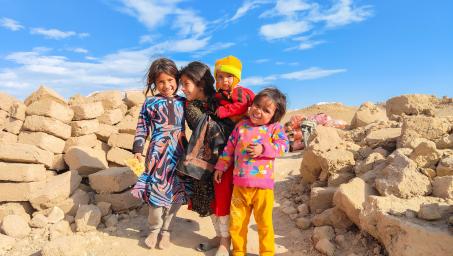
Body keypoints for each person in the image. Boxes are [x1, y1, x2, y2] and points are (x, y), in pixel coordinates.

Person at [214, 87, 289, 256]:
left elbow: (284, 146)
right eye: (257, 105)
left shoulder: (274, 128)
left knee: (264, 224)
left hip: (263, 189)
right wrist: (221, 166)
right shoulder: (241, 126)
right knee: (237, 223)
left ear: (274, 116)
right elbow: (229, 148)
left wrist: (263, 148)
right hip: (239, 187)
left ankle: (267, 252)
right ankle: (239, 251)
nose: (258, 111)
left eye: (266, 110)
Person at [179, 61, 235, 256]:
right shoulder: (190, 106)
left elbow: (235, 117)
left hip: (224, 160)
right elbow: (205, 124)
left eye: (186, 84)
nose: (182, 89)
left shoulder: (220, 99)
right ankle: (219, 237)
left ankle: (226, 242)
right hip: (205, 163)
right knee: (211, 202)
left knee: (223, 200)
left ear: (200, 83)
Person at [131, 57, 187, 250]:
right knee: (155, 191)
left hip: (179, 154)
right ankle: (154, 229)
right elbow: (142, 127)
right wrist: (138, 149)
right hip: (157, 154)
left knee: (176, 194)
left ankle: (167, 232)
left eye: (170, 80)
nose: (166, 85)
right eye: (161, 81)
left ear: (177, 80)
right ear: (154, 83)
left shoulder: (185, 102)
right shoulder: (150, 103)